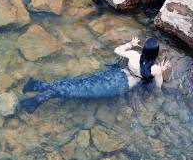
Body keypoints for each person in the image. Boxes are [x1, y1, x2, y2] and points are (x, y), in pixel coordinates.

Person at [20, 37, 170, 114]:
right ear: (155, 54)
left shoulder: (133, 55)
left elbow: (117, 50)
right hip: (119, 86)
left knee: (81, 84)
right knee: (80, 90)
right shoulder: (155, 69)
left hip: (115, 74)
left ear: (143, 49)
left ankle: (39, 88)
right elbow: (158, 87)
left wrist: (130, 43)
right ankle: (38, 95)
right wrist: (163, 70)